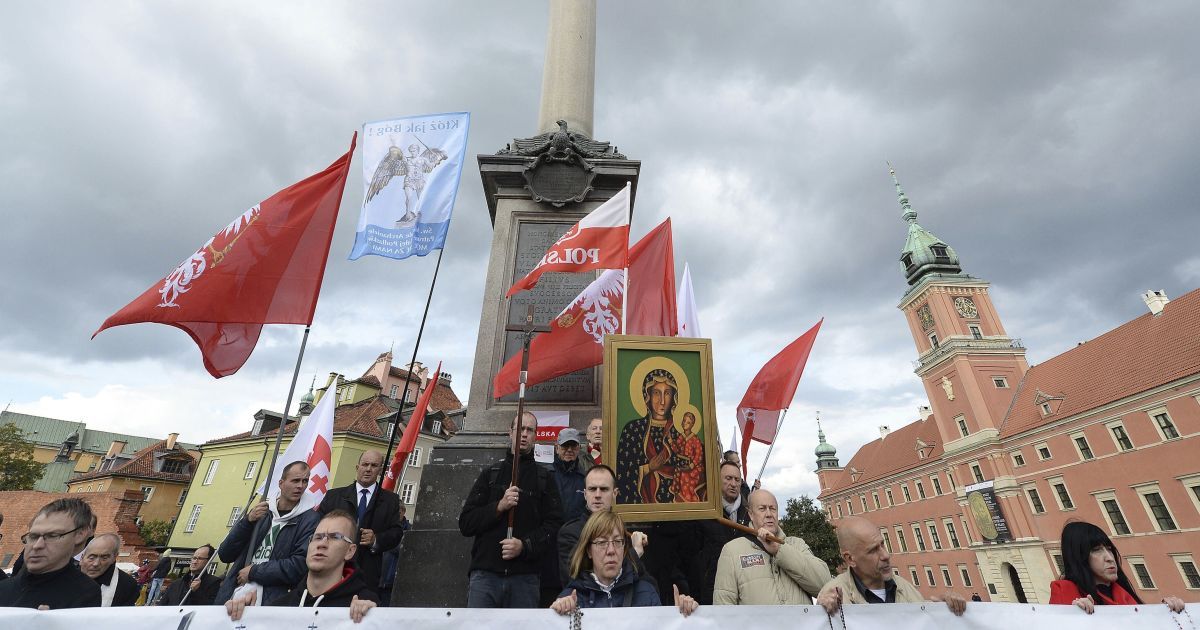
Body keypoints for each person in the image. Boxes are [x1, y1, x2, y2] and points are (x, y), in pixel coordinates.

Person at [458, 412, 564, 608]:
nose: (524, 434)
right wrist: (499, 506)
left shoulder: (544, 478)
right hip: (485, 577)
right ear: (510, 433)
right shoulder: (491, 474)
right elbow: (466, 523)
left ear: (536, 436)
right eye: (520, 429)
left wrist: (525, 546)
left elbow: (554, 525)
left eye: (529, 430)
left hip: (525, 579)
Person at [226, 510, 379, 624]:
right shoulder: (280, 606)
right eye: (317, 537)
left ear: (350, 551)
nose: (322, 543)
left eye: (335, 537)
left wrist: (373, 619)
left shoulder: (365, 605)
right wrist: (245, 617)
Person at [551, 510, 697, 616]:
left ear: (625, 548)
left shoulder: (646, 593)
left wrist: (680, 619)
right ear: (589, 551)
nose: (611, 550)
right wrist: (555, 616)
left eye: (617, 541)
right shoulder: (571, 598)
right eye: (602, 542)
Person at [215, 460, 323, 605]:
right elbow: (225, 554)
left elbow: (300, 565)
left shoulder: (311, 519)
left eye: (305, 481)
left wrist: (254, 572)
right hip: (234, 593)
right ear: (281, 483)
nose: (300, 486)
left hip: (272, 600)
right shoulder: (262, 513)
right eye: (295, 480)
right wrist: (247, 522)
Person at [816, 516, 965, 615]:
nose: (885, 555)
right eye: (873, 550)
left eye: (883, 544)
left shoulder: (906, 588)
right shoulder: (833, 598)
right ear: (850, 559)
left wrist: (945, 608)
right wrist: (820, 612)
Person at [713, 489, 831, 605]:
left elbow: (825, 585)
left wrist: (780, 550)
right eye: (762, 509)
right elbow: (723, 608)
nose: (769, 514)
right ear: (751, 514)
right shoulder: (732, 550)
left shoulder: (797, 545)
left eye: (773, 508)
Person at [1049, 521, 1185, 614]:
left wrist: (1166, 612)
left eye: (1109, 549)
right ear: (1079, 557)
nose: (1109, 557)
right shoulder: (1065, 591)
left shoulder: (1124, 595)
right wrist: (1071, 617)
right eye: (1096, 550)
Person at [318, 450, 404, 593]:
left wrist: (376, 539)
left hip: (368, 574)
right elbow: (319, 528)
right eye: (365, 464)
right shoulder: (334, 496)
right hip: (334, 569)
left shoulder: (391, 500)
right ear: (357, 467)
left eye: (374, 465)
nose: (368, 469)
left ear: (380, 470)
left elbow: (396, 532)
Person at [557, 465, 649, 586]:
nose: (597, 495)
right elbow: (576, 581)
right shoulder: (570, 533)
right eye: (592, 489)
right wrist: (635, 554)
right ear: (585, 494)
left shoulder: (623, 532)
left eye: (604, 489)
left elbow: (644, 581)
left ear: (615, 493)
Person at [0, 498, 100, 608]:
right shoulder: (4, 587)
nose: (37, 545)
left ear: (80, 535)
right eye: (33, 536)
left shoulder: (85, 593)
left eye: (52, 536)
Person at [616, 369, 684, 504]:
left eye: (667, 393)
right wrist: (648, 468)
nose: (662, 401)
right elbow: (622, 472)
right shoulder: (633, 430)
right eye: (656, 393)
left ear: (674, 398)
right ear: (647, 396)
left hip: (674, 509)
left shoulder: (679, 436)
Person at [694, 461, 752, 604]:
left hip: (745, 594)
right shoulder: (704, 515)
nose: (733, 484)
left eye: (737, 480)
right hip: (712, 593)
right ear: (717, 480)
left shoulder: (750, 515)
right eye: (728, 478)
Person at [80, 533, 139, 607]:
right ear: (82, 557)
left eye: (104, 558)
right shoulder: (67, 576)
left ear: (114, 558)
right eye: (92, 558)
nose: (96, 564)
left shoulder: (127, 585)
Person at [157, 544, 221, 606]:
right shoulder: (176, 584)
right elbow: (161, 606)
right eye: (194, 558)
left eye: (200, 558)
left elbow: (210, 607)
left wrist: (196, 592)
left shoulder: (214, 583)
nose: (195, 562)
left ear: (208, 561)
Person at [552, 428, 591, 522]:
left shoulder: (585, 478)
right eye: (565, 445)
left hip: (575, 533)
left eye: (573, 446)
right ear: (557, 448)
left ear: (579, 448)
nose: (569, 450)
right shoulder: (547, 474)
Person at [671, 412, 705, 503]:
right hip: (683, 464)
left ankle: (689, 501)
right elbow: (676, 449)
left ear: (692, 424)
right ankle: (677, 499)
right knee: (677, 472)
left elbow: (699, 455)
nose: (685, 423)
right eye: (684, 421)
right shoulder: (681, 437)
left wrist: (691, 466)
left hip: (694, 466)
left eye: (688, 422)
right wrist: (671, 442)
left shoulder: (695, 439)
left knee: (685, 476)